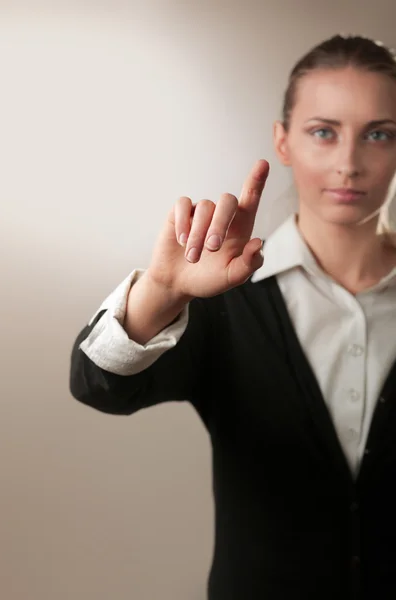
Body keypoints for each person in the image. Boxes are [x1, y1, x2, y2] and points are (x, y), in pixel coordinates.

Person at [70, 34, 396, 599]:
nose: (348, 163)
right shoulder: (226, 297)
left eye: (379, 134)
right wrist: (165, 290)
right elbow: (99, 385)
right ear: (284, 142)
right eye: (324, 131)